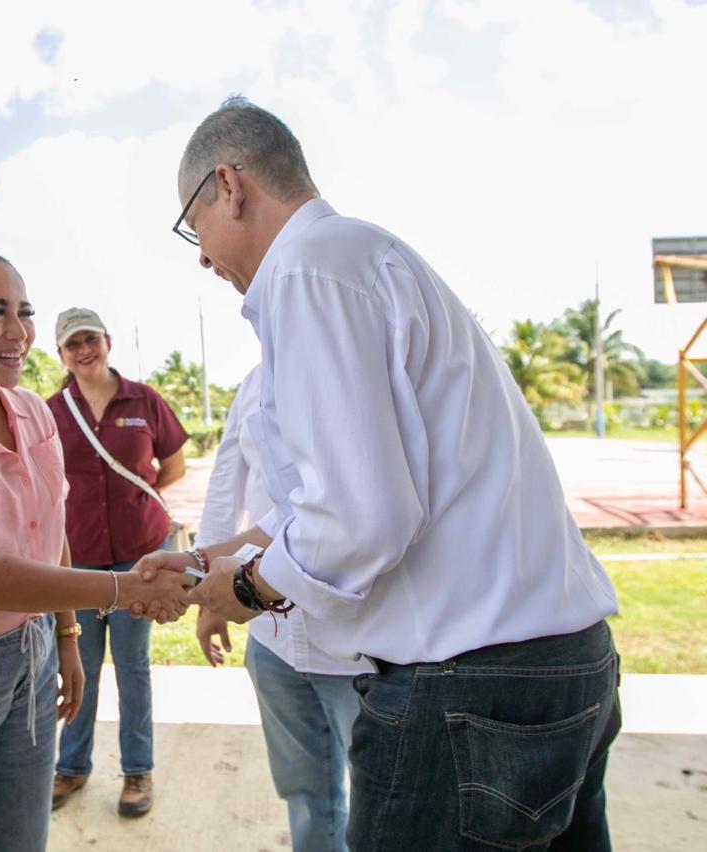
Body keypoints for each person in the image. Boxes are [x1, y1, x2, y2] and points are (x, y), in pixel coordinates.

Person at [141, 96, 621, 850]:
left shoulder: (307, 270)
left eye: (191, 225)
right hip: (559, 663)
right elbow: (327, 501)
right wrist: (213, 557)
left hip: (467, 686)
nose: (200, 254)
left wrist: (240, 591)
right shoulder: (362, 257)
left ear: (228, 186)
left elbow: (359, 522)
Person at [0, 252, 190, 851]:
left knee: (23, 834)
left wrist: (64, 637)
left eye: (25, 313)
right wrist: (127, 589)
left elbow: (50, 527)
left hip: (34, 650)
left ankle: (135, 767)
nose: (18, 331)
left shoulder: (32, 412)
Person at [197, 363, 368, 852]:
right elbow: (227, 482)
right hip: (273, 641)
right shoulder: (252, 381)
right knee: (304, 794)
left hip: (357, 646)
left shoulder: (353, 364)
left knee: (388, 799)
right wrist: (208, 588)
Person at [48, 307, 189, 818]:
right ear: (60, 355)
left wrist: (136, 502)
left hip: (139, 559)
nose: (84, 350)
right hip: (78, 562)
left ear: (107, 342)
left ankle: (137, 771)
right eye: (72, 344)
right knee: (77, 666)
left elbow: (171, 465)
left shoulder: (144, 400)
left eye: (91, 339)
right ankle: (71, 766)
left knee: (133, 667)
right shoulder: (52, 410)